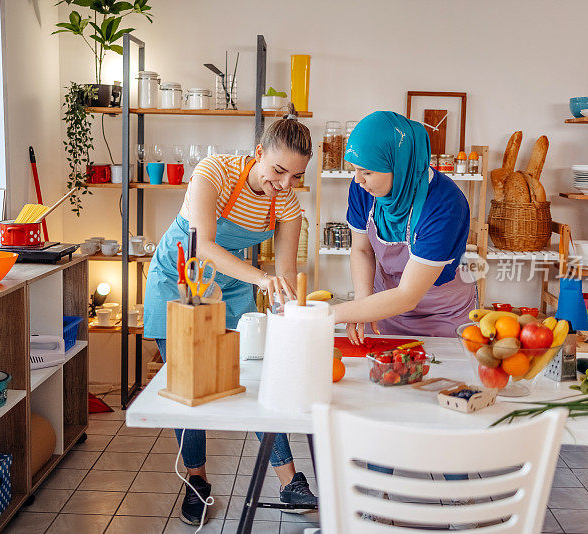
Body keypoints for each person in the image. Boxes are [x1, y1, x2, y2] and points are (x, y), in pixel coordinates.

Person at [143, 104, 317, 526]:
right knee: (192, 384)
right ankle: (197, 482)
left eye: (295, 177)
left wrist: (289, 313)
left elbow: (287, 272)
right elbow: (202, 246)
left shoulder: (287, 205)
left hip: (235, 280)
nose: (284, 184)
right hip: (179, 276)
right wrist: (262, 279)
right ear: (258, 151)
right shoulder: (213, 172)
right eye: (278, 171)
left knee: (259, 375)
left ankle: (288, 479)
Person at [332, 110, 477, 343]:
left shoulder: (445, 205)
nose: (358, 180)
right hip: (384, 308)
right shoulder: (362, 188)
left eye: (367, 172)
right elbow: (362, 250)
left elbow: (408, 295)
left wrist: (328, 314)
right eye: (354, 169)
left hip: (441, 314)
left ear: (399, 165)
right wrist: (361, 307)